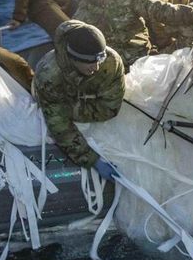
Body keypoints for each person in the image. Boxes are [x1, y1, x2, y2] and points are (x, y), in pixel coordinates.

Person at [33, 21, 125, 170]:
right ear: (73, 58)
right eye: (89, 62)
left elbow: (110, 108)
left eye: (99, 59)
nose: (96, 67)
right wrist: (91, 160)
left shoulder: (111, 61)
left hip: (76, 101)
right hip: (52, 96)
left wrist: (74, 107)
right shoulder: (49, 75)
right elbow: (59, 125)